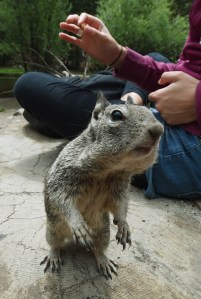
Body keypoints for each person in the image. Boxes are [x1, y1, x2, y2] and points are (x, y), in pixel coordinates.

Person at [14, 0, 201, 199]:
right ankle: (126, 100)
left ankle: (95, 103)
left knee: (28, 85)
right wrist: (118, 55)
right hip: (169, 114)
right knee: (154, 58)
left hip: (186, 146)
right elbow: (187, 68)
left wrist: (196, 100)